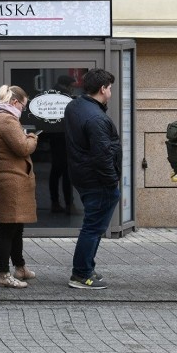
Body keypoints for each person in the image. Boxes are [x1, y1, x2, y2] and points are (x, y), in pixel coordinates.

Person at [0, 84, 39, 289]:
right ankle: (3, 273)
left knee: (15, 227)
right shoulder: (7, 120)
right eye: (23, 106)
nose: (22, 110)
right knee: (8, 229)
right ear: (14, 102)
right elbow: (23, 148)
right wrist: (32, 137)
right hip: (11, 181)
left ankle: (20, 267)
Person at [64, 68, 121, 290]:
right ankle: (81, 274)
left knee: (93, 226)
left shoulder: (75, 106)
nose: (111, 92)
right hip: (97, 181)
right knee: (93, 228)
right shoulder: (96, 118)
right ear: (102, 89)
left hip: (83, 175)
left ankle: (87, 267)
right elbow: (102, 155)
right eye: (110, 88)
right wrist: (111, 181)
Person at [49, 75, 76, 213]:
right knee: (65, 172)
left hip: (54, 137)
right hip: (63, 137)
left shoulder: (51, 93)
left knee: (55, 171)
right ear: (67, 85)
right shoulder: (65, 97)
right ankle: (69, 204)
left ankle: (55, 202)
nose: (73, 88)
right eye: (72, 85)